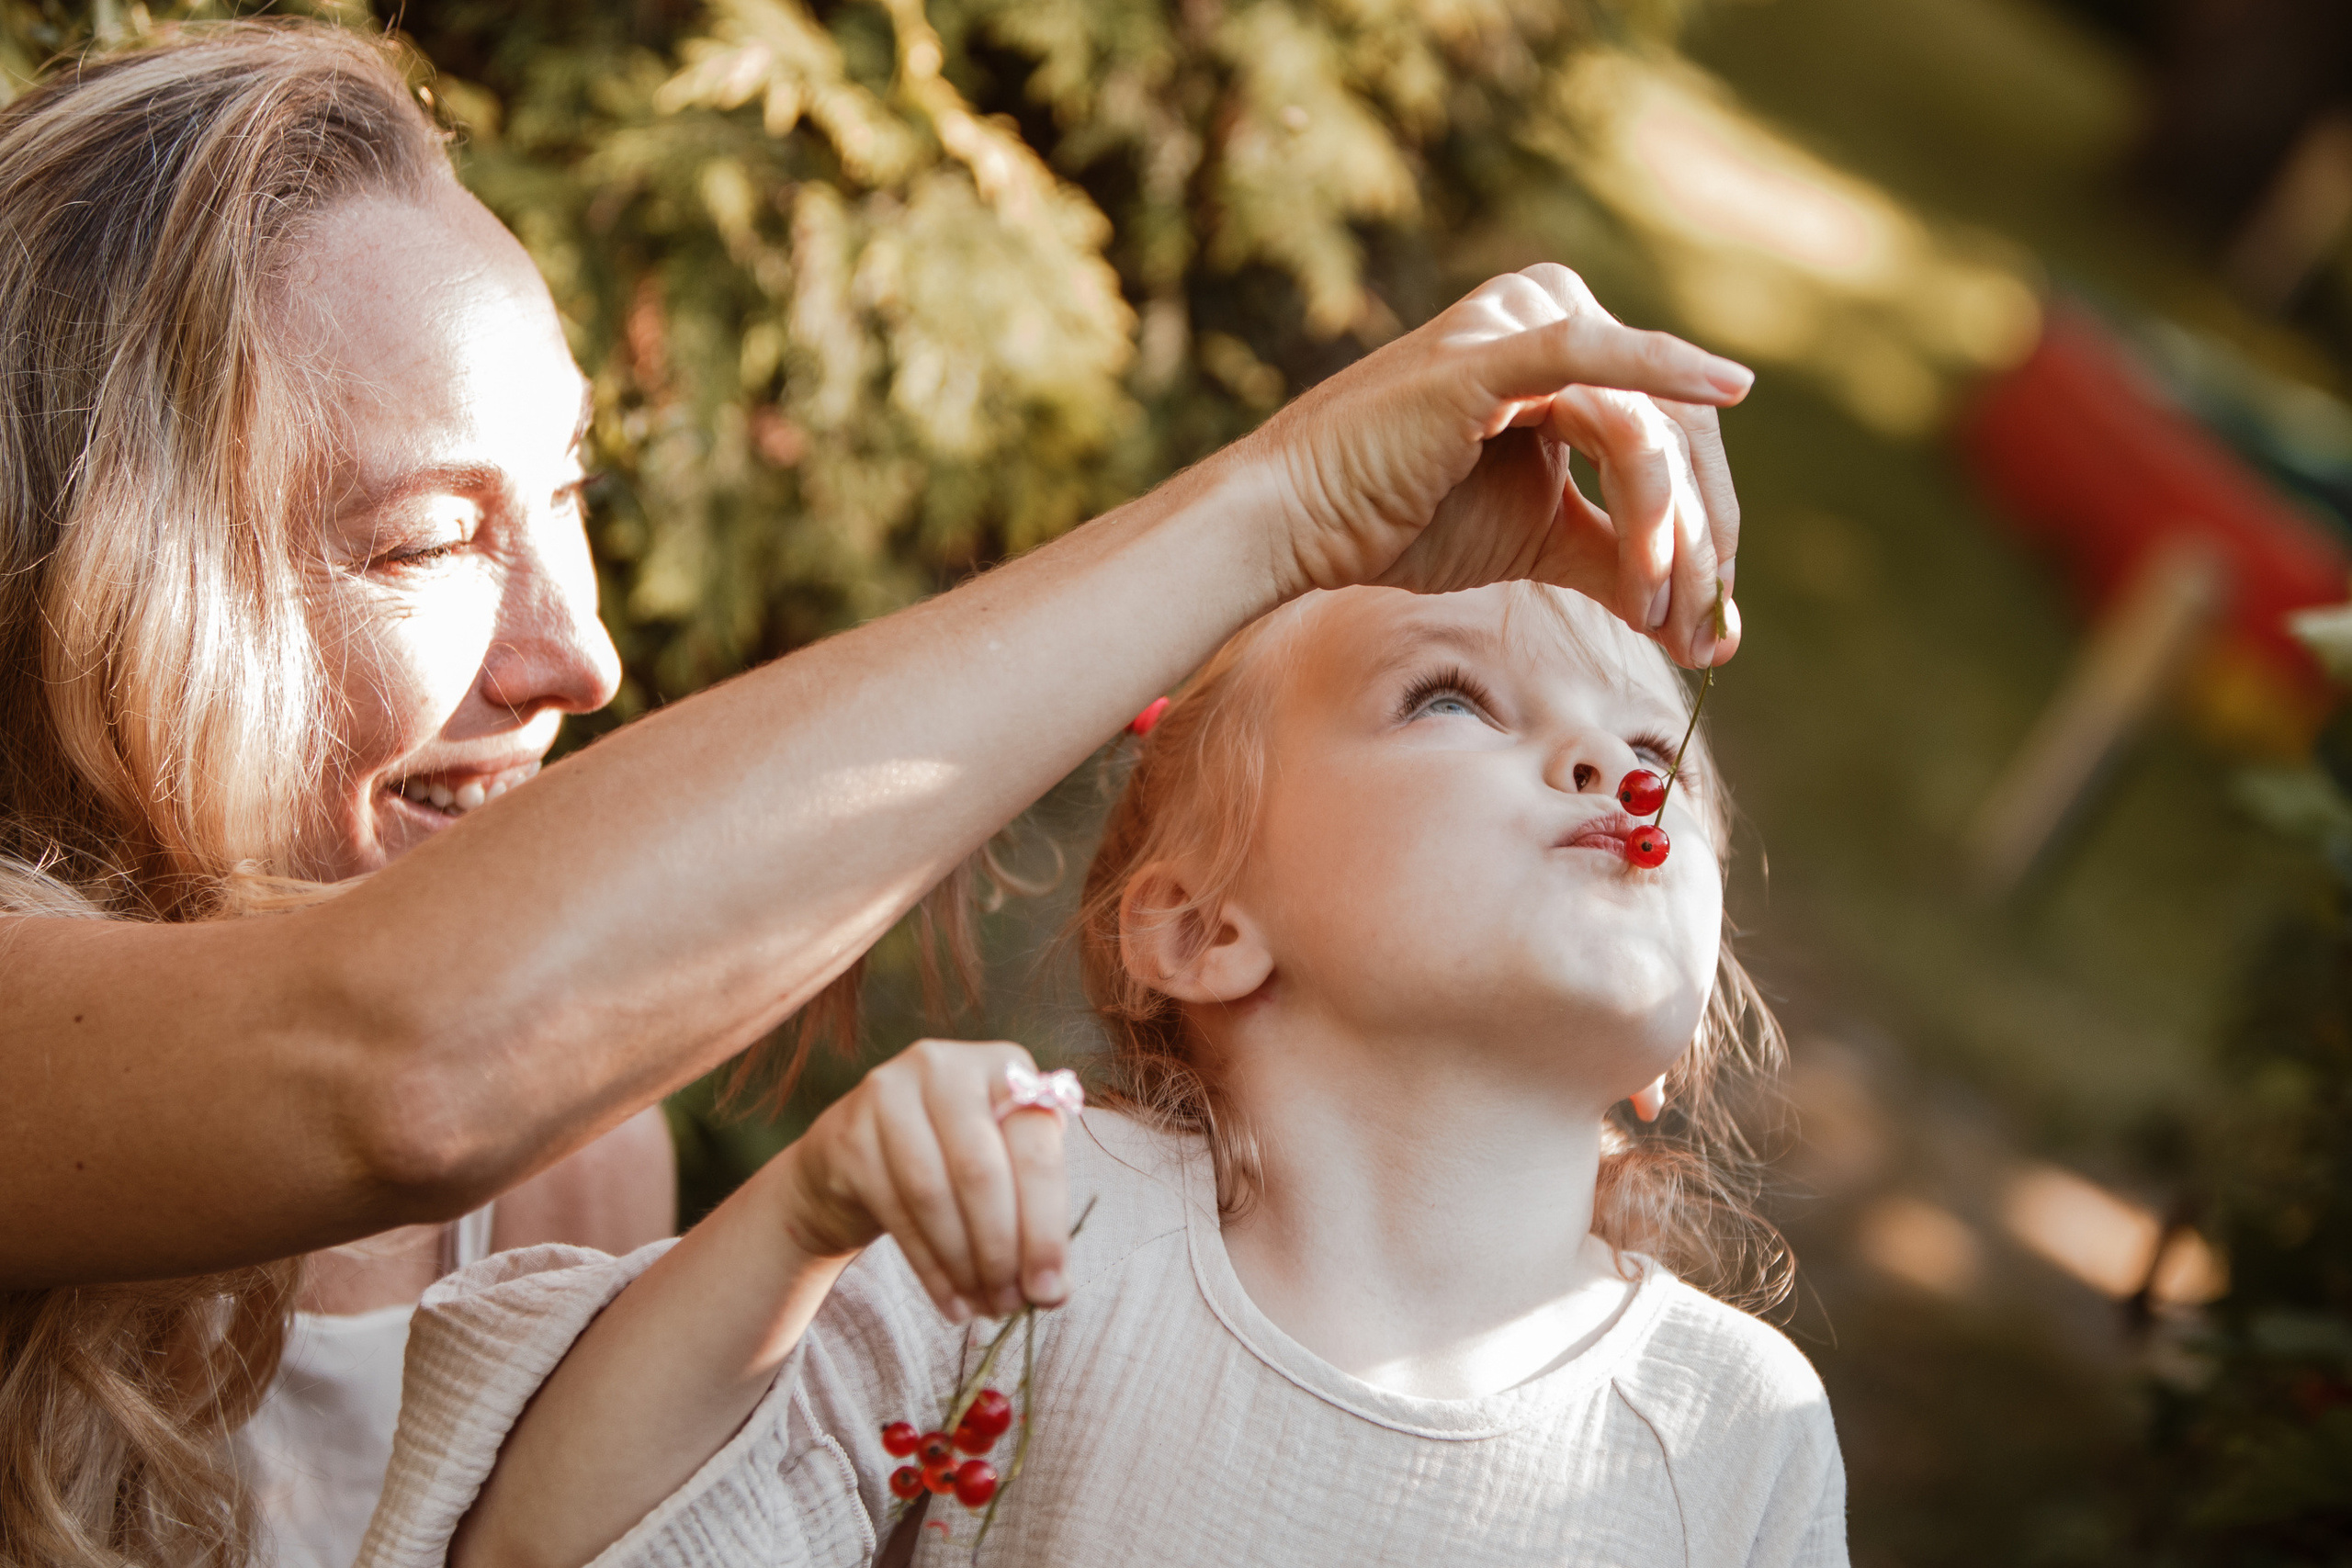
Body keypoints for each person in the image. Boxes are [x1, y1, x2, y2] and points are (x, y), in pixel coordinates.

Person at [0, 19, 1751, 1568]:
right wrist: (1278, 509)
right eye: (428, 541)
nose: (584, 654)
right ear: (106, 603)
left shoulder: (569, 1181)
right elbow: (411, 1067)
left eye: (573, 493)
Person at [360, 579, 1840, 1568]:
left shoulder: (1735, 1433)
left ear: (1683, 1036)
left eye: (1656, 745)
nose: (1608, 764)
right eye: (1450, 698)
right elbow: (545, 1550)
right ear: (1200, 927)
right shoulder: (1031, 1231)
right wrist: (807, 1218)